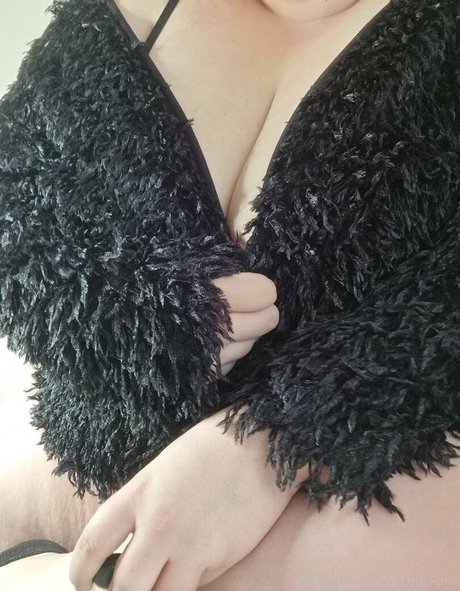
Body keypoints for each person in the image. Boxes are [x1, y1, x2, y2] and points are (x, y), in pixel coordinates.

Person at [1, 0, 459, 589]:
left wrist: (274, 433)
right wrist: (136, 317)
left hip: (347, 477)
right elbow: (18, 220)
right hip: (77, 468)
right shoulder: (131, 14)